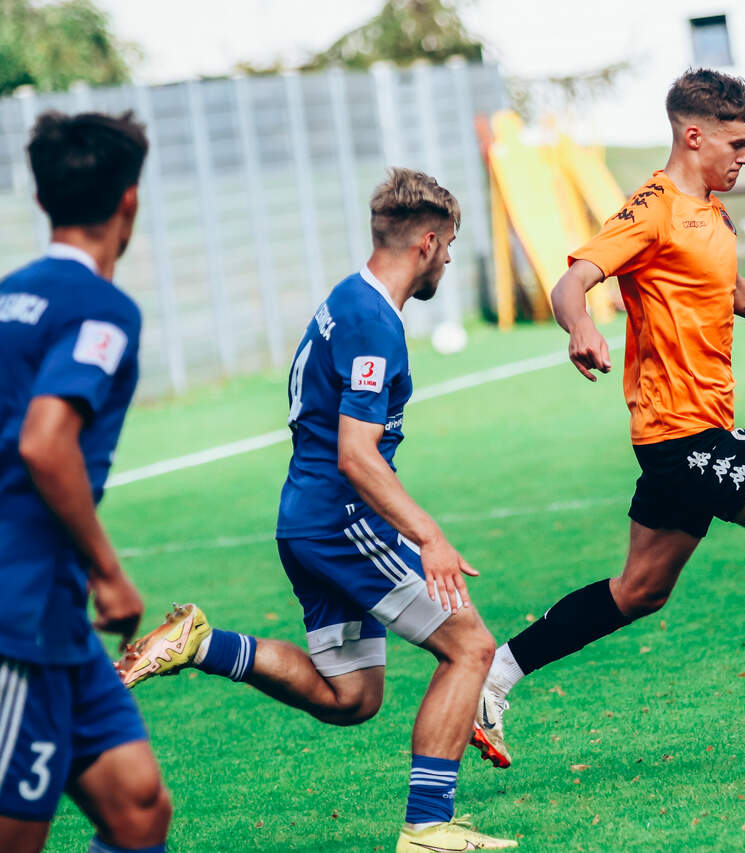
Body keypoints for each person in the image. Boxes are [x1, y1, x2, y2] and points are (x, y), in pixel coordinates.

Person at [470, 69, 745, 771]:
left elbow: (736, 292)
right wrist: (581, 326)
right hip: (684, 435)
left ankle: (494, 676)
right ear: (693, 136)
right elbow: (573, 279)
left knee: (638, 591)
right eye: (736, 143)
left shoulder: (709, 213)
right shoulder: (653, 210)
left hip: (689, 434)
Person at [117, 169, 515, 851]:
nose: (449, 259)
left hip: (306, 520)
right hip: (343, 522)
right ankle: (428, 826)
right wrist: (429, 535)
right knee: (471, 647)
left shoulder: (346, 298)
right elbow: (356, 455)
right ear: (426, 242)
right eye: (449, 245)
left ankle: (200, 643)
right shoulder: (372, 323)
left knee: (351, 696)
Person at [0, 111, 171, 853]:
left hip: (54, 615)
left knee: (138, 807)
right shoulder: (104, 309)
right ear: (129, 199)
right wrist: (110, 572)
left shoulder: (10, 295)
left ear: (42, 199)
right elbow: (46, 442)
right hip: (20, 610)